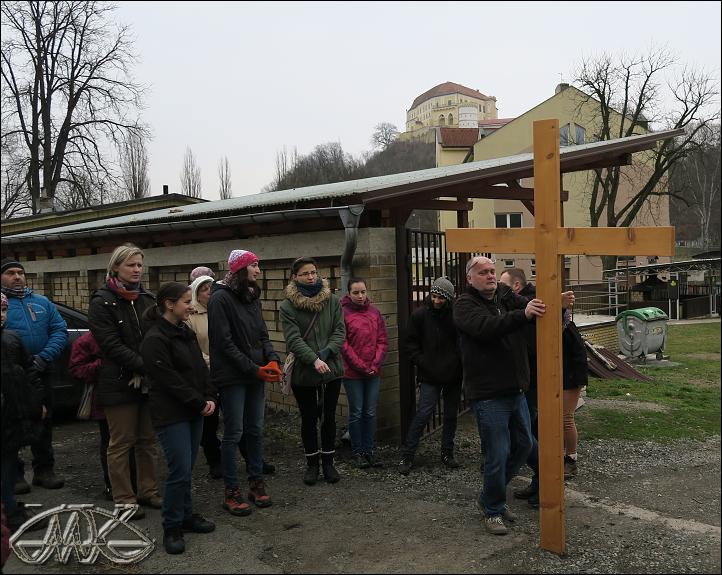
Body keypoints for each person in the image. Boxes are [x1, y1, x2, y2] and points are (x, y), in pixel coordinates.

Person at [453, 256, 545, 536]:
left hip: (515, 389)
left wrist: (555, 301)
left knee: (524, 444)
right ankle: (493, 509)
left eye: (493, 271)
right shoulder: (464, 305)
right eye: (483, 272)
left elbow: (528, 303)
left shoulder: (504, 296)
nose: (490, 276)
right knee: (498, 453)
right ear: (470, 278)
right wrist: (524, 314)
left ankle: (488, 497)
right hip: (489, 394)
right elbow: (486, 329)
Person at [140, 282, 217, 554]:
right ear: (169, 304)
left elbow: (200, 367)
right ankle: (171, 527)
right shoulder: (155, 339)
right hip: (172, 414)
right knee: (179, 471)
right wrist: (199, 402)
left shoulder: (185, 331)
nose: (191, 306)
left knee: (187, 468)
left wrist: (210, 396)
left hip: (195, 410)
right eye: (186, 301)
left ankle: (186, 516)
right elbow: (169, 381)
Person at [88, 244, 161, 520]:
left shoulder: (146, 298)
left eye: (140, 265)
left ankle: (148, 491)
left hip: (148, 383)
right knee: (120, 443)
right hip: (119, 382)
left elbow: (156, 335)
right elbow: (110, 345)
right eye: (131, 265)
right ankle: (124, 499)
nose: (137, 270)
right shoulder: (102, 301)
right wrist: (147, 365)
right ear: (116, 266)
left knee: (147, 440)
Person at [499, 268, 583, 506]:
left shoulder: (535, 301)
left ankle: (546, 486)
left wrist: (559, 304)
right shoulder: (522, 302)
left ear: (516, 286)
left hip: (543, 377)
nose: (499, 289)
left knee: (538, 432)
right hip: (530, 377)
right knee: (531, 433)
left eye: (503, 285)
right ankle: (540, 484)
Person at [208, 249, 280, 516]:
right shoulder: (220, 299)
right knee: (233, 433)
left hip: (255, 375)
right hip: (233, 377)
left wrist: (272, 359)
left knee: (255, 430)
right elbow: (223, 344)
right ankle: (231, 491)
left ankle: (256, 482)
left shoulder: (251, 297)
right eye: (255, 265)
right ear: (241, 268)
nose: (258, 271)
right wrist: (254, 369)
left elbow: (262, 333)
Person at [186, 272, 275, 480]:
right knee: (214, 424)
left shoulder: (237, 305)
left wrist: (266, 359)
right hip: (213, 374)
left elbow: (257, 336)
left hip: (241, 369)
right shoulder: (192, 316)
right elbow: (216, 345)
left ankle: (253, 464)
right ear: (195, 294)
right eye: (203, 289)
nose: (208, 292)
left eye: (210, 287)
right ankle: (218, 465)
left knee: (247, 425)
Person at [1, 258, 67, 494]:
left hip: (40, 371)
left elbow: (59, 330)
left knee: (43, 421)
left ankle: (44, 470)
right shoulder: (2, 305)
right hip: (10, 374)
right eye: (10, 273)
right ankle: (15, 474)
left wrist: (43, 357)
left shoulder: (41, 302)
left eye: (20, 272)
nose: (17, 276)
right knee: (11, 423)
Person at [279, 257, 346, 486]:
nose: (310, 277)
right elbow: (293, 339)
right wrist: (313, 359)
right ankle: (311, 465)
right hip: (304, 372)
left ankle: (328, 463)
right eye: (305, 273)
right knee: (309, 419)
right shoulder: (288, 305)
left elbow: (339, 330)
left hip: (331, 369)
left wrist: (326, 353)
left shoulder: (332, 301)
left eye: (313, 272)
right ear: (295, 277)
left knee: (328, 418)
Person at [398, 277, 463, 475]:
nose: (436, 301)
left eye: (441, 298)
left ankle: (447, 452)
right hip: (429, 374)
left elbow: (463, 342)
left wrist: (457, 362)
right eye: (434, 296)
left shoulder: (456, 317)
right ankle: (407, 455)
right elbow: (410, 344)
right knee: (424, 414)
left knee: (451, 415)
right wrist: (424, 362)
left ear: (448, 298)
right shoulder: (419, 316)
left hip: (453, 374)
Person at [68, 330, 137, 501]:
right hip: (104, 401)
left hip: (129, 396)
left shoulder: (123, 335)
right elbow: (77, 370)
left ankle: (134, 483)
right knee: (111, 443)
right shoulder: (87, 340)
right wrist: (101, 364)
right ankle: (113, 485)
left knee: (133, 442)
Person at [1, 292, 47, 533]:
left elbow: (30, 373)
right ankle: (9, 512)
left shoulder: (12, 339)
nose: (0, 316)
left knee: (8, 467)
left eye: (3, 311)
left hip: (12, 418)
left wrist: (37, 402)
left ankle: (11, 511)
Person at [340, 277, 388, 469]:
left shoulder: (375, 313)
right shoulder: (342, 314)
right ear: (349, 294)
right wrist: (361, 366)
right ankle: (357, 451)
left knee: (369, 412)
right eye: (356, 293)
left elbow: (382, 341)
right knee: (357, 412)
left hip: (373, 372)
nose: (360, 296)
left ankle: (369, 451)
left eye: (363, 292)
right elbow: (343, 345)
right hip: (353, 374)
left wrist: (375, 364)